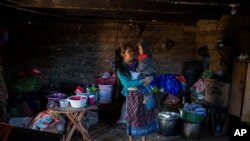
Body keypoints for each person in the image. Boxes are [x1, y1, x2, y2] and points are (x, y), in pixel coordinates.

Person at [114, 42, 159, 141]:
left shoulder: (139, 62)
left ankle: (143, 139)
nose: (132, 53)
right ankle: (131, 139)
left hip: (144, 94)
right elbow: (127, 83)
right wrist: (142, 81)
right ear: (123, 54)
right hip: (132, 95)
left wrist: (151, 77)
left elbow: (150, 71)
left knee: (144, 115)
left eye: (132, 51)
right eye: (129, 51)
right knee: (132, 117)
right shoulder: (120, 68)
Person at [136, 39, 155, 106]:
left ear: (146, 49)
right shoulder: (143, 56)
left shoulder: (147, 58)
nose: (139, 51)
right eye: (139, 49)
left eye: (141, 49)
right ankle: (147, 93)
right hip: (144, 73)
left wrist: (136, 70)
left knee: (139, 83)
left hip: (147, 74)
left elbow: (141, 67)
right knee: (140, 82)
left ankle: (147, 94)